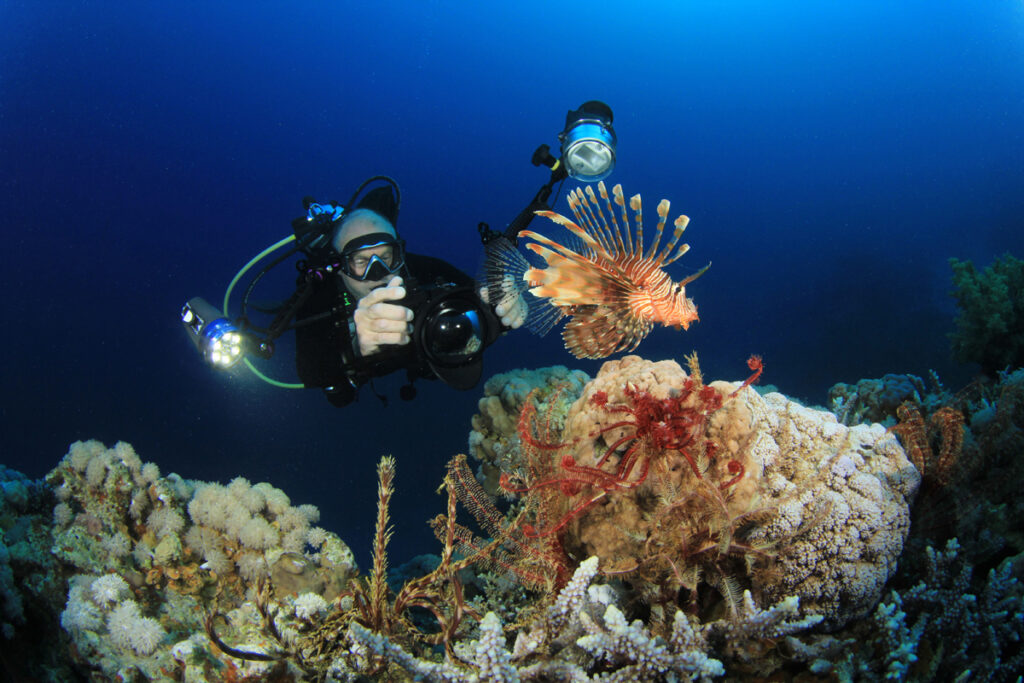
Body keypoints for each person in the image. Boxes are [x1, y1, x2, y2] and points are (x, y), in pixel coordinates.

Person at [294, 186, 525, 406]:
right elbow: (310, 372)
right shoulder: (319, 298)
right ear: (339, 266)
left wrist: (505, 310)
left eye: (386, 257)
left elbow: (484, 301)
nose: (378, 274)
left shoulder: (426, 270)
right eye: (360, 261)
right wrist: (355, 350)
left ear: (400, 254)